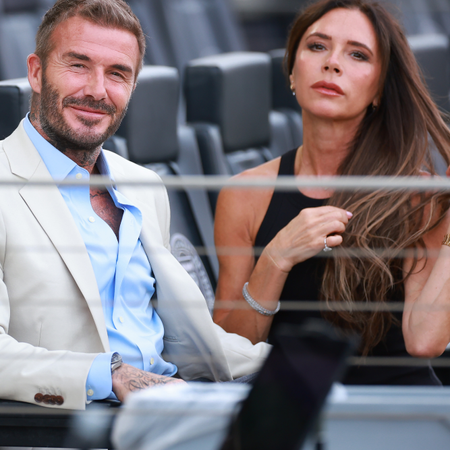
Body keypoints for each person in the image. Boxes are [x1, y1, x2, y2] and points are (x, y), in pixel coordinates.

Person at [0, 0, 269, 410]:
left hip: (174, 408)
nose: (96, 90)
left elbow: (190, 340)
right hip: (73, 424)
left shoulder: (143, 185)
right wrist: (112, 375)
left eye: (117, 74)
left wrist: (311, 363)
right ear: (36, 73)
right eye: (78, 65)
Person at [214, 0, 450, 385]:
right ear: (292, 72)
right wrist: (276, 258)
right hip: (294, 414)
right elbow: (229, 349)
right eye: (317, 46)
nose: (332, 63)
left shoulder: (416, 195)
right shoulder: (245, 194)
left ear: (378, 89)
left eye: (357, 54)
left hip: (398, 414)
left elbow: (425, 341)